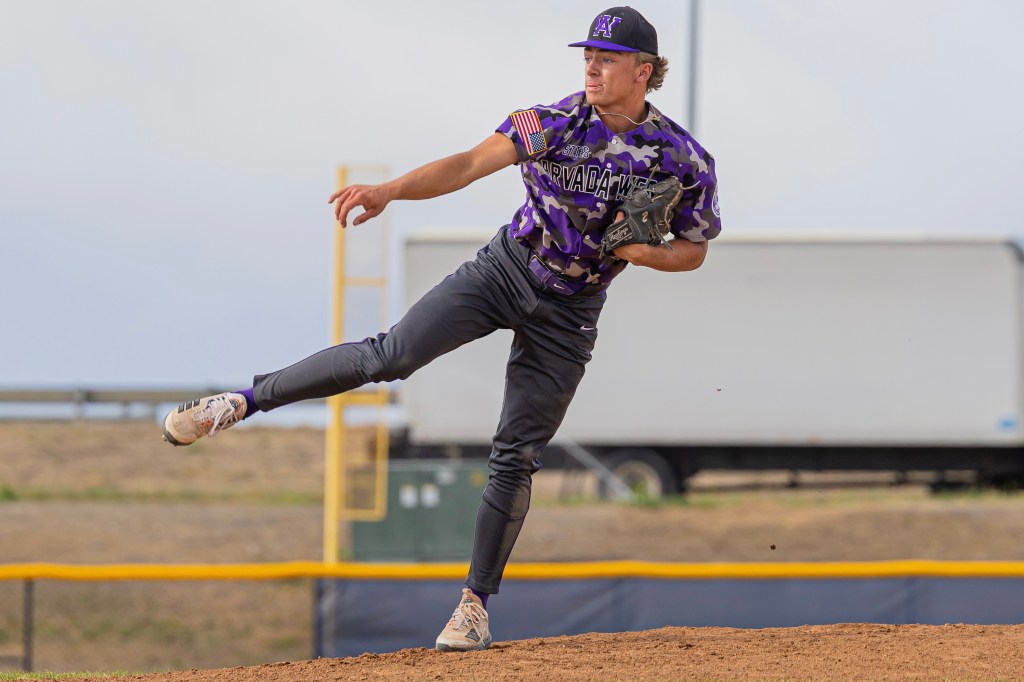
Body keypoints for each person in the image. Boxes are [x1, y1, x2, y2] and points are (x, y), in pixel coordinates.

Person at [161, 5, 721, 652]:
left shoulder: (681, 159)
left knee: (516, 455)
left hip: (573, 309)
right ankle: (239, 402)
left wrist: (647, 253)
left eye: (607, 57)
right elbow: (464, 165)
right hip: (506, 268)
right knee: (389, 357)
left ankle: (473, 608)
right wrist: (390, 192)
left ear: (643, 71)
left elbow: (696, 247)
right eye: (586, 55)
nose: (591, 66)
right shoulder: (549, 121)